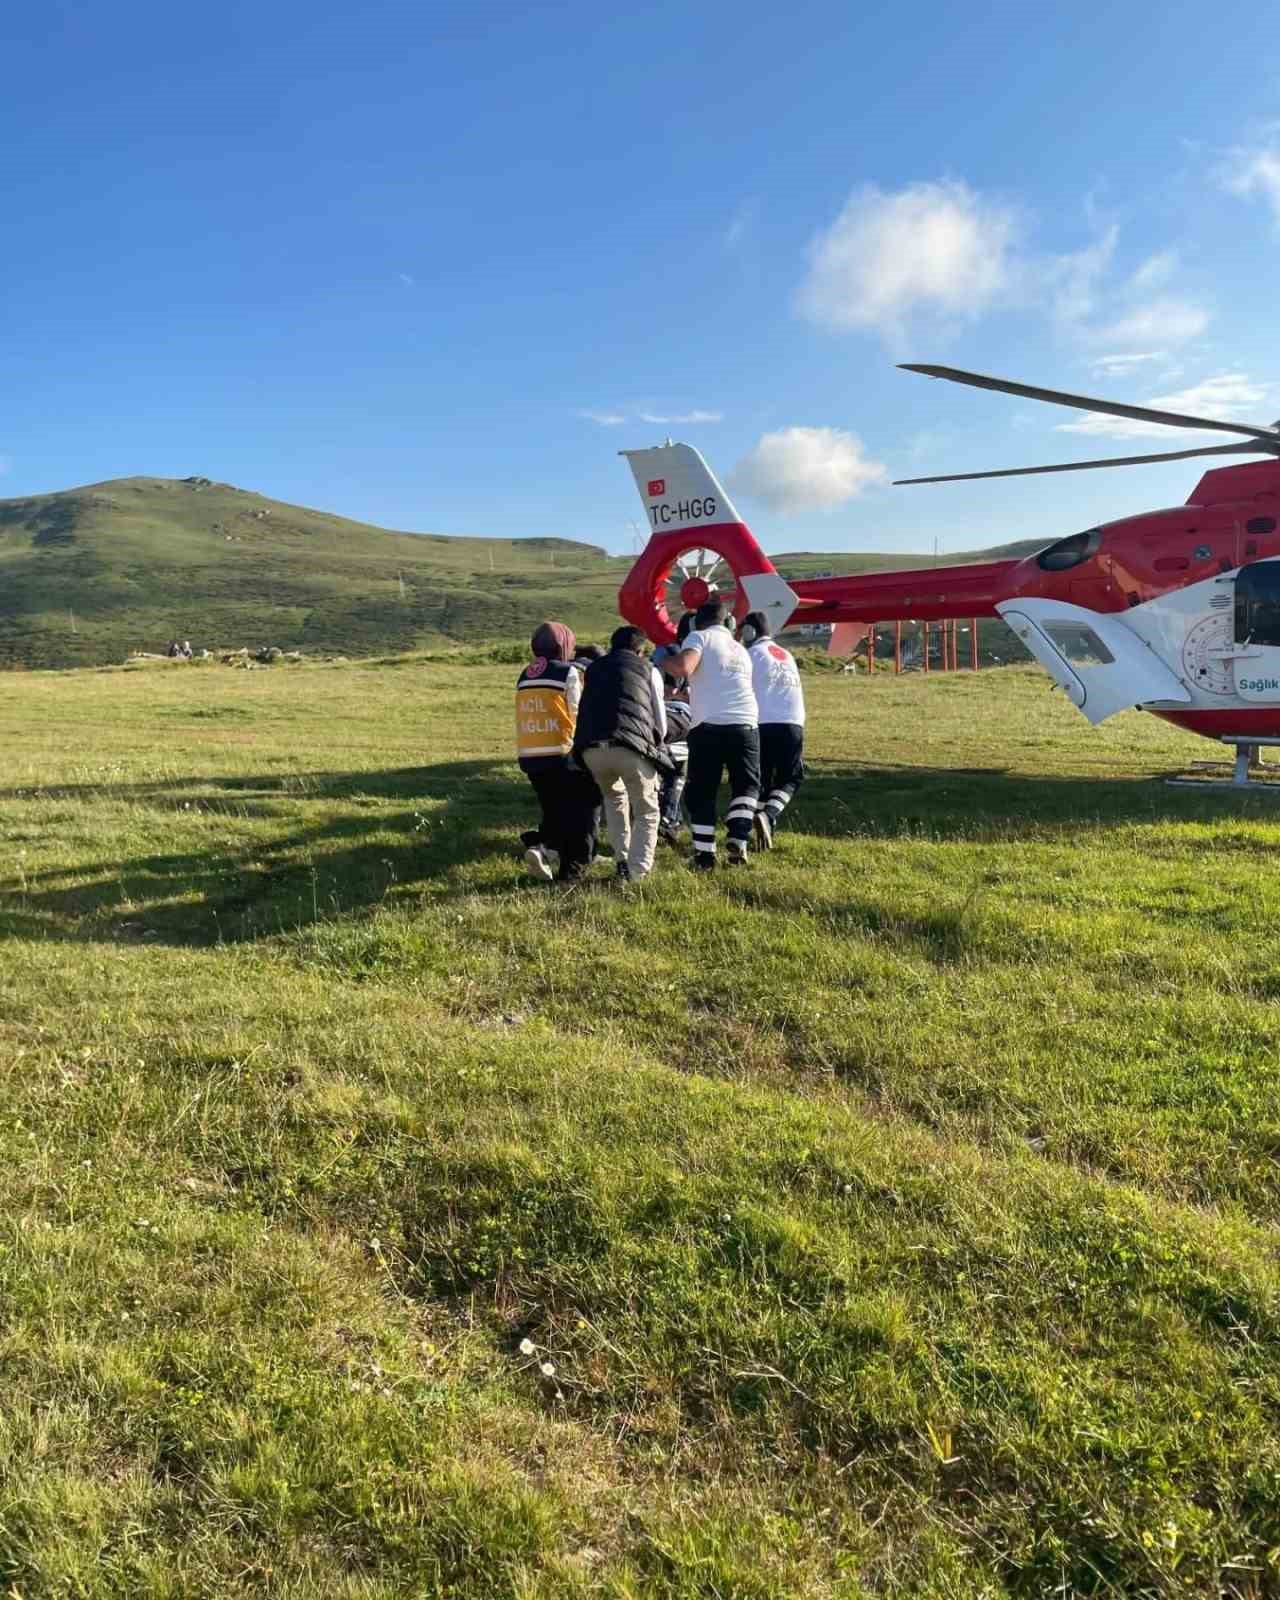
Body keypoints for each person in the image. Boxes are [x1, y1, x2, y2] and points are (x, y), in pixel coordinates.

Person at [656, 599, 759, 869]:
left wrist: (662, 660)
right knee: (746, 785)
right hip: (746, 723)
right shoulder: (741, 649)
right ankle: (738, 834)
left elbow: (683, 668)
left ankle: (705, 856)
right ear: (729, 623)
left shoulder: (699, 637)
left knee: (702, 792)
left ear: (694, 623)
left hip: (708, 725)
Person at [573, 626, 670, 883]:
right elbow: (660, 719)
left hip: (592, 750)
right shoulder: (648, 669)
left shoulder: (593, 669)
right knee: (646, 809)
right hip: (630, 747)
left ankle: (621, 860)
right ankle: (637, 872)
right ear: (641, 650)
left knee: (614, 801)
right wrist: (658, 744)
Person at [515, 621, 599, 883]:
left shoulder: (524, 674)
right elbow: (577, 711)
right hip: (561, 752)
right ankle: (572, 871)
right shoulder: (567, 673)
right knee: (581, 809)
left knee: (553, 808)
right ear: (563, 645)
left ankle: (543, 847)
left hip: (530, 754)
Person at [740, 611, 806, 849]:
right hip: (793, 722)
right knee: (791, 777)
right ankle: (768, 819)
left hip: (761, 723)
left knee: (761, 781)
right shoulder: (787, 655)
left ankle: (763, 817)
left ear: (749, 631)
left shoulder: (750, 654)